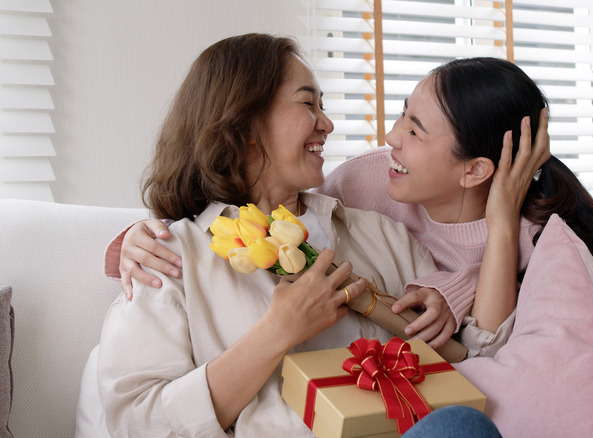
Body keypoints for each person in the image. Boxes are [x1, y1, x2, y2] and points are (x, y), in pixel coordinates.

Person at [95, 33, 503, 437]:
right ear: (245, 122)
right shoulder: (166, 257)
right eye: (308, 104)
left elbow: (475, 360)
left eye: (322, 106)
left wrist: (446, 306)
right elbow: (135, 424)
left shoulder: (384, 233)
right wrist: (276, 333)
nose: (326, 124)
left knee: (460, 426)